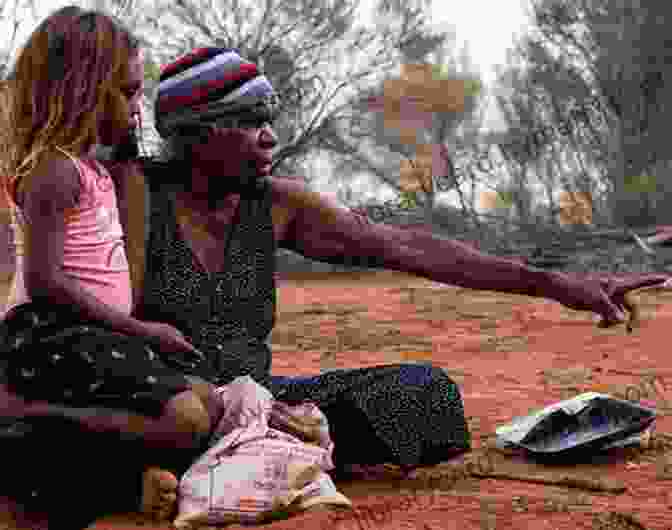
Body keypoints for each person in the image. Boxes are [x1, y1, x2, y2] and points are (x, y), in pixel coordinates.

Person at [119, 47, 669, 474]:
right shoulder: (134, 196)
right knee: (166, 420)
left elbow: (407, 248)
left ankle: (258, 445)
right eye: (250, 120)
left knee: (424, 397)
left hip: (263, 404)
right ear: (198, 134)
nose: (271, 137)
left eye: (269, 118)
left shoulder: (277, 205)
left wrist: (555, 284)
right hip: (167, 406)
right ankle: (227, 451)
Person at [0, 7, 228, 524]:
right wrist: (141, 331)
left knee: (205, 407)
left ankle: (116, 480)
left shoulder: (94, 169)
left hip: (91, 336)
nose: (136, 106)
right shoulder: (53, 171)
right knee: (186, 419)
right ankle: (12, 416)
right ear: (81, 89)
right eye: (126, 92)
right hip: (49, 334)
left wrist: (126, 141)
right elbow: (44, 282)